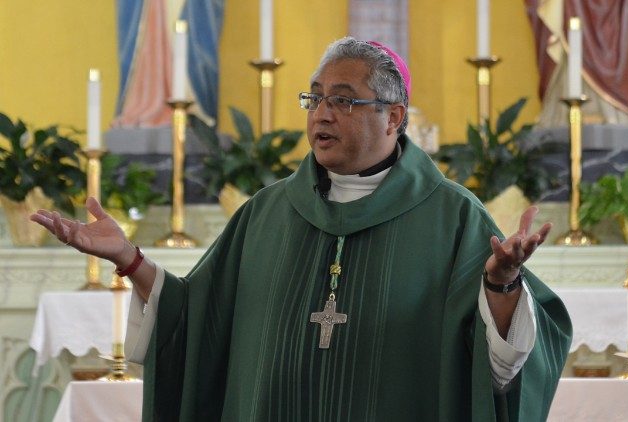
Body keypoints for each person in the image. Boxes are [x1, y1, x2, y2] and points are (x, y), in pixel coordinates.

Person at [31, 37, 571, 421]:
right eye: (315, 98)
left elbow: (498, 365)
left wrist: (500, 283)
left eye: (343, 99)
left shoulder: (452, 217)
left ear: (394, 117)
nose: (322, 114)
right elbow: (198, 323)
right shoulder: (265, 214)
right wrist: (130, 260)